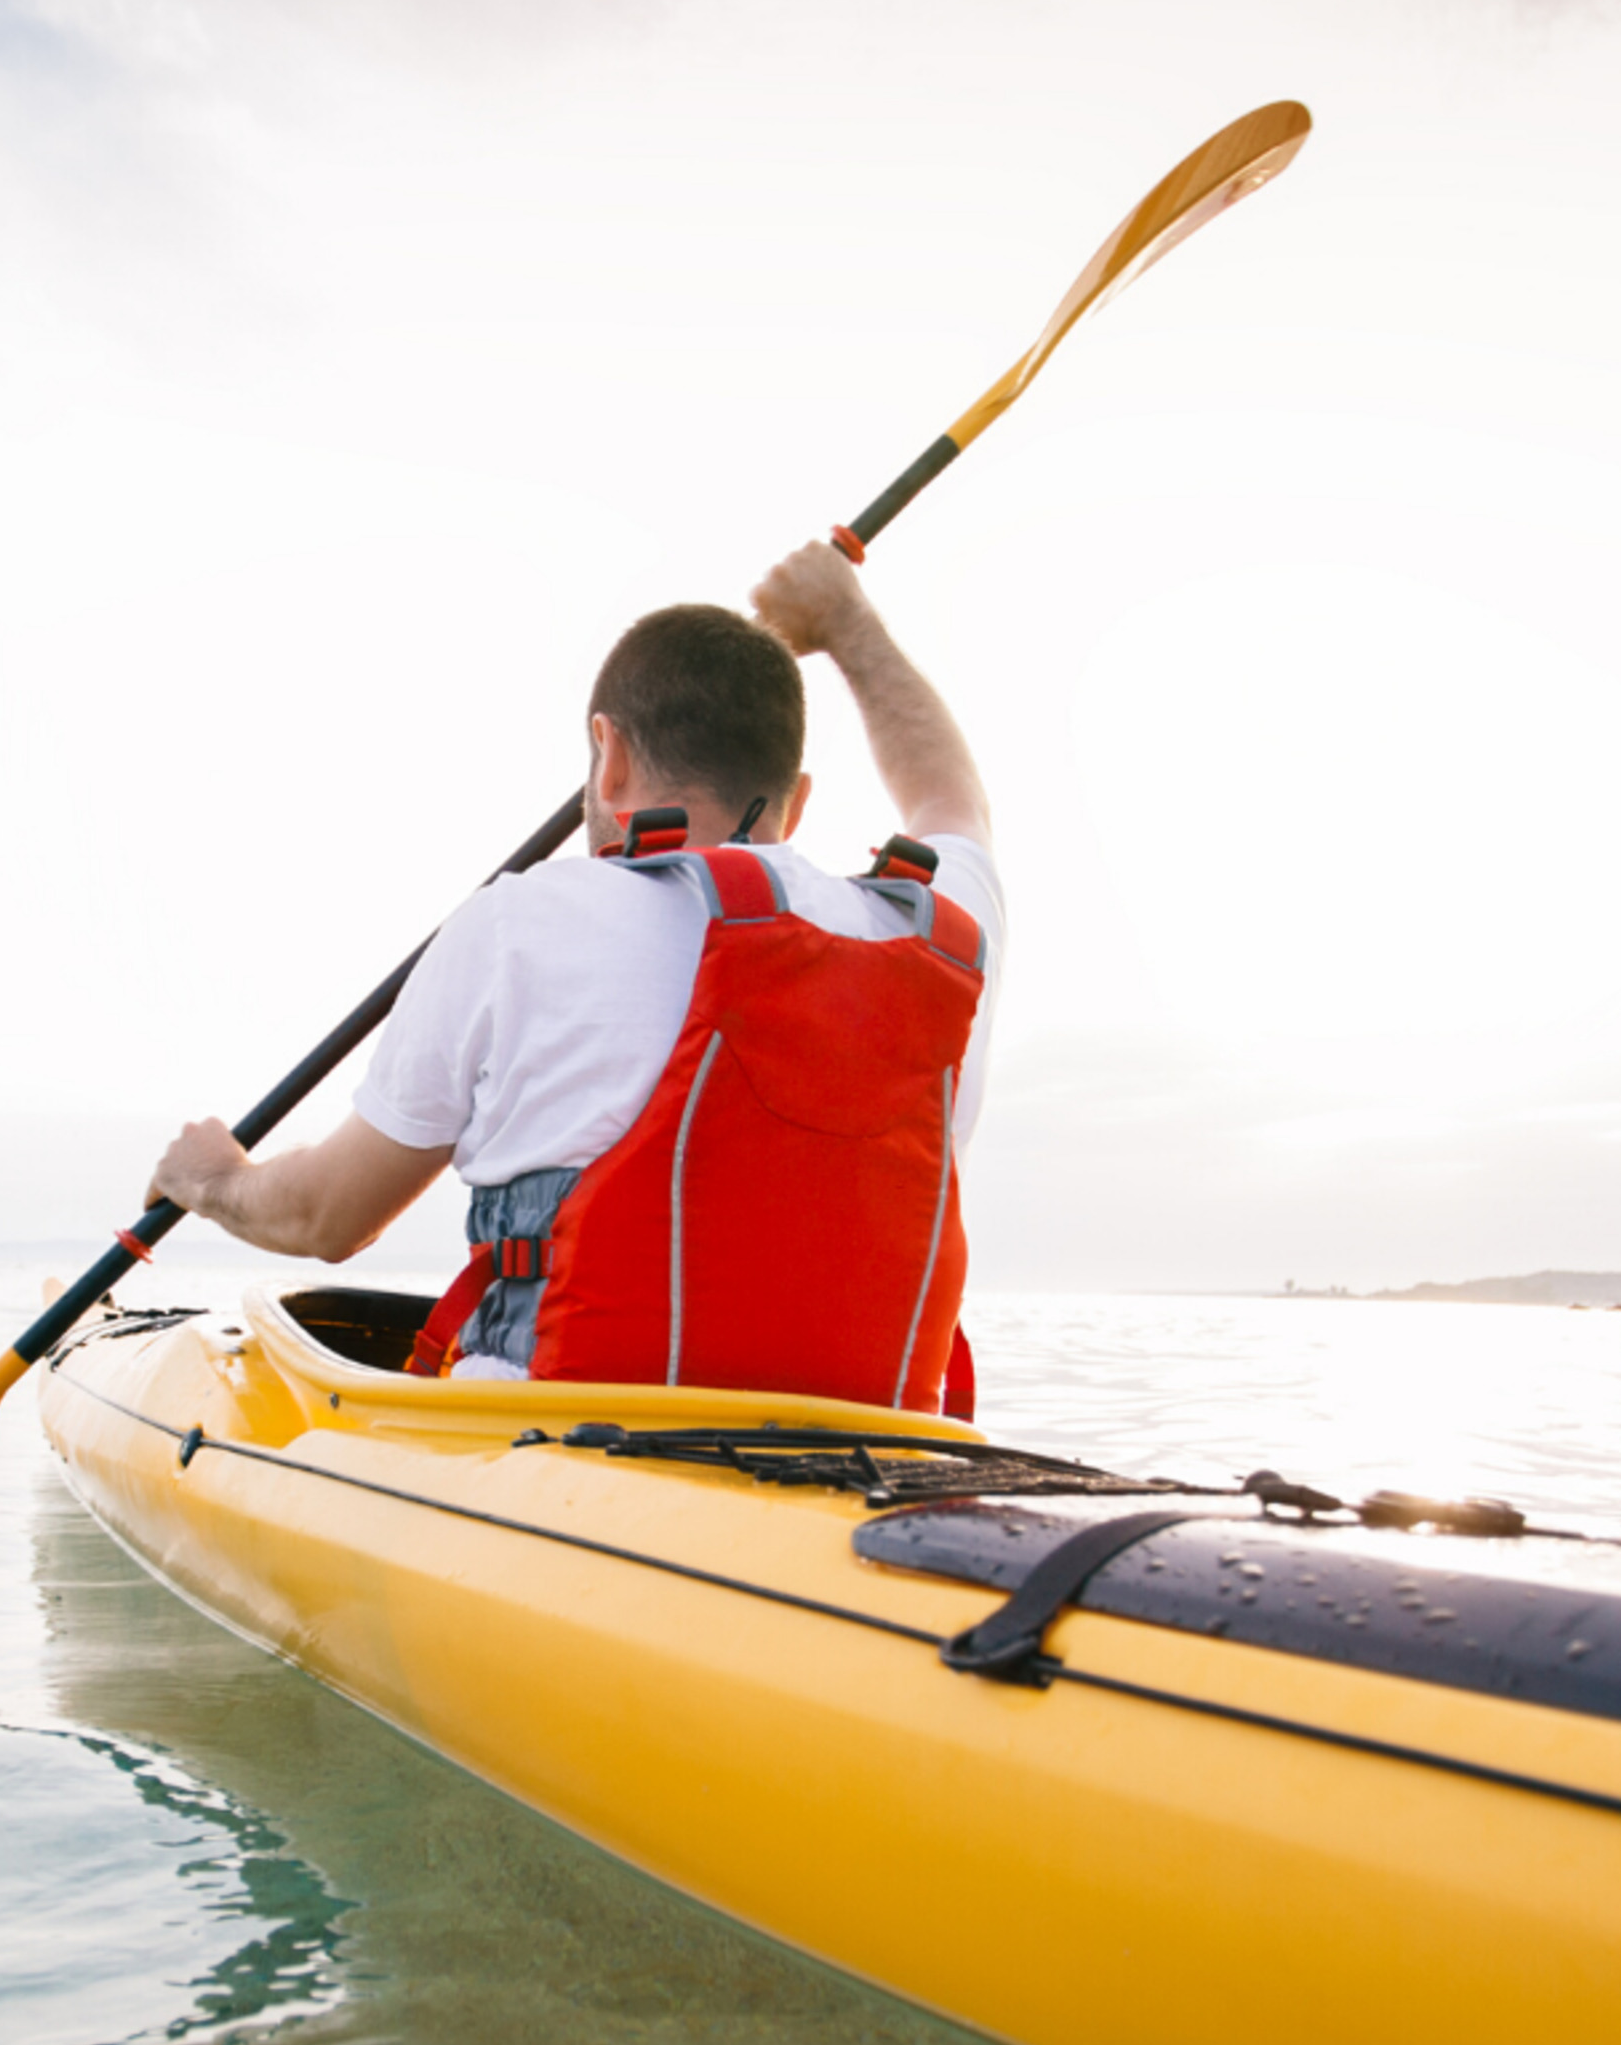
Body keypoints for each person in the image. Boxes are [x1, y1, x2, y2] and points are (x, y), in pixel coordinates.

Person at [144, 539, 1004, 1410]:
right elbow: (952, 800)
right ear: (800, 797)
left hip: (557, 1448)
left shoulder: (518, 920)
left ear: (611, 754)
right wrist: (847, 623)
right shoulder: (936, 935)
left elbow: (325, 1219)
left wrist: (214, 1179)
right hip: (867, 1462)